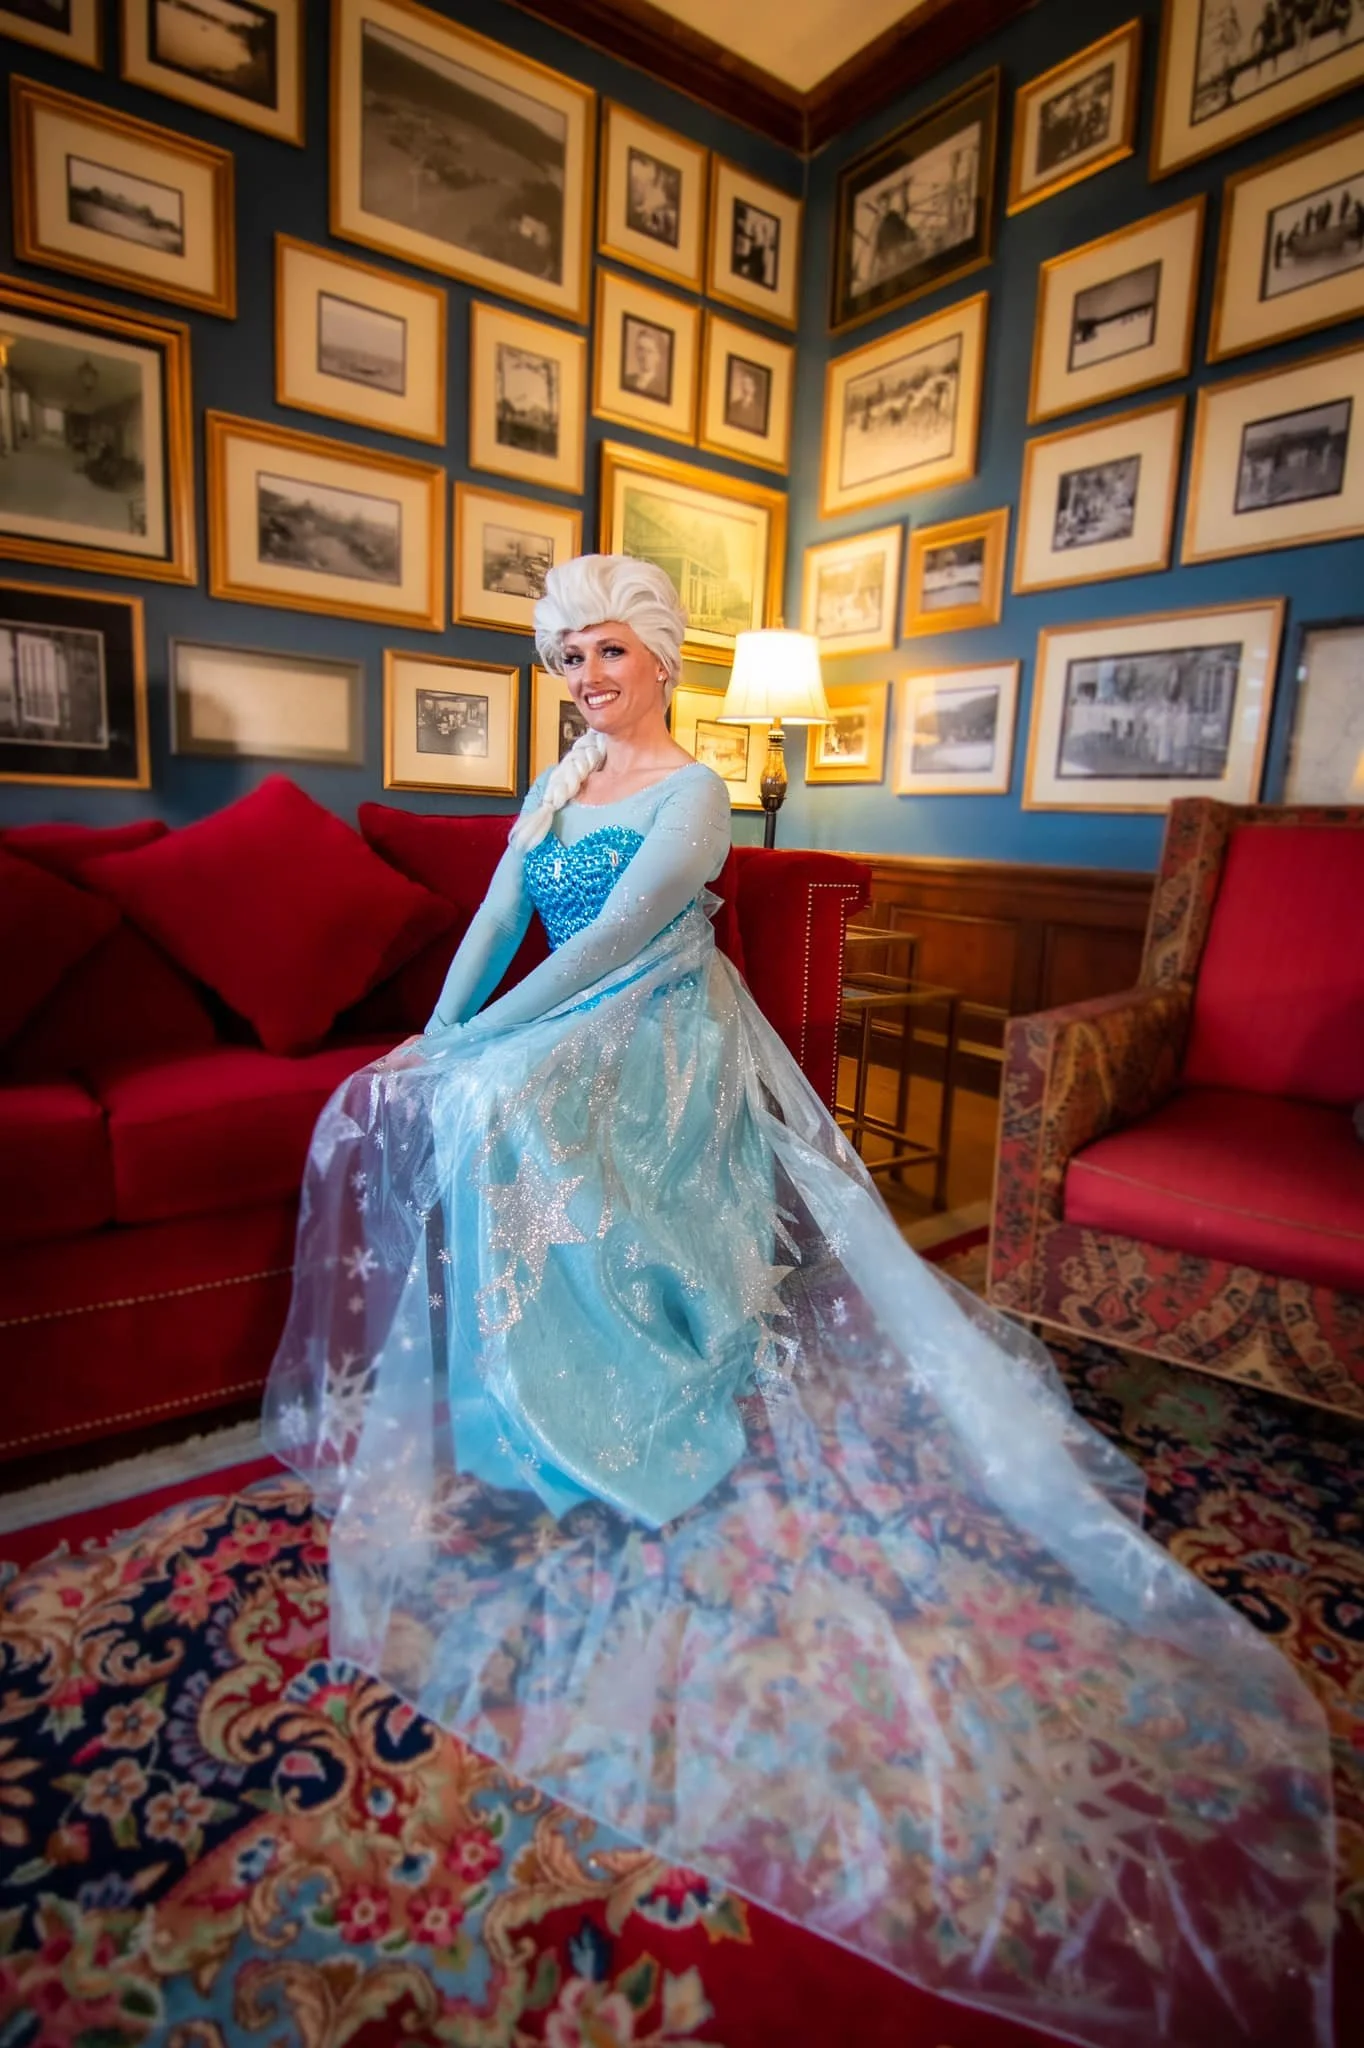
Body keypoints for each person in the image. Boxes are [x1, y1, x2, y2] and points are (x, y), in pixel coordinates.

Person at [264, 555, 1334, 2048]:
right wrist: (429, 1044)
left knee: (504, 1112)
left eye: (604, 654)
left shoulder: (693, 797)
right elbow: (503, 916)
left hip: (651, 1033)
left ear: (657, 656)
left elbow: (608, 950)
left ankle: (632, 1375)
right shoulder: (560, 776)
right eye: (565, 658)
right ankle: (520, 1395)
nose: (581, 679)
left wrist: (478, 1057)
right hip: (558, 1020)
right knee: (449, 1107)